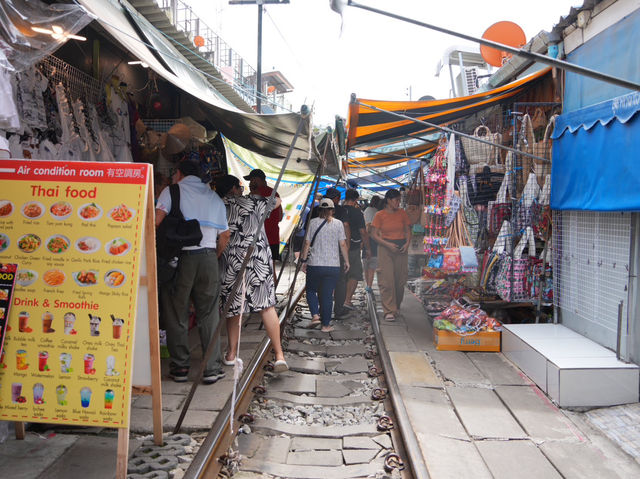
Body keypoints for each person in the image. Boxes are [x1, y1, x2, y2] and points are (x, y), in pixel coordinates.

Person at [155, 160, 230, 384]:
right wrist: (212, 256)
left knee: (176, 312)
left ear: (178, 173)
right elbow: (224, 236)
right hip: (208, 257)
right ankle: (211, 369)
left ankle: (180, 368)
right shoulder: (214, 198)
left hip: (180, 260)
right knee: (208, 313)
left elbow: (155, 221)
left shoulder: (172, 191)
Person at [216, 175, 288, 372]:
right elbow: (278, 201)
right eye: (239, 186)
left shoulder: (219, 203)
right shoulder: (254, 200)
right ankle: (280, 355)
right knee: (266, 306)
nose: (242, 189)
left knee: (233, 308)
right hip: (257, 259)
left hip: (232, 260)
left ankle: (231, 354)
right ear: (232, 188)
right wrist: (257, 191)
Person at [300, 198, 350, 332]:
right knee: (328, 295)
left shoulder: (312, 223)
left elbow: (306, 243)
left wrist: (303, 260)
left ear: (319, 210)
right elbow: (343, 244)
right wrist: (346, 261)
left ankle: (315, 315)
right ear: (332, 210)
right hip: (333, 265)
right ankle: (326, 325)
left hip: (315, 264)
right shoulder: (338, 224)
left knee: (311, 290)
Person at [370, 189, 411, 321]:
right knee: (387, 281)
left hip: (401, 249)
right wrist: (388, 245)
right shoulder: (379, 215)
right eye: (396, 200)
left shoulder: (402, 213)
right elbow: (373, 235)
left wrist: (407, 244)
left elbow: (408, 230)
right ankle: (389, 310)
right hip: (385, 248)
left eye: (399, 200)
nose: (398, 203)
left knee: (400, 280)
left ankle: (396, 306)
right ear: (388, 200)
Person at [245, 169, 283, 272]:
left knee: (255, 270)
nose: (250, 183)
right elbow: (280, 217)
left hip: (259, 239)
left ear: (258, 179)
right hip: (273, 237)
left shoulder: (254, 195)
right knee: (271, 269)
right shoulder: (275, 193)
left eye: (251, 180)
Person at [342, 189, 370, 310]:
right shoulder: (358, 213)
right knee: (354, 273)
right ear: (356, 199)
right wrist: (368, 248)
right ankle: (347, 300)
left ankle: (339, 298)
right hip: (353, 247)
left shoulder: (338, 210)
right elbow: (363, 232)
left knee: (341, 275)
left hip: (337, 247)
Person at [362, 195, 382, 293]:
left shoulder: (367, 211)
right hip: (372, 239)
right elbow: (368, 226)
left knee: (366, 264)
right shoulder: (374, 211)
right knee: (371, 265)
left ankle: (368, 284)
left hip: (366, 239)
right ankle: (369, 285)